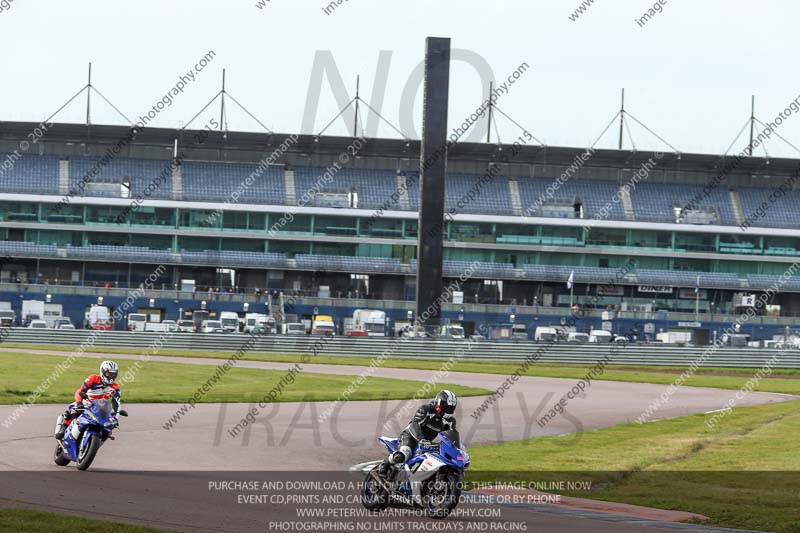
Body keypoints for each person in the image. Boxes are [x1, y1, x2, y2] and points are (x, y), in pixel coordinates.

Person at [378, 390, 458, 477]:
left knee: (436, 460)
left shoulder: (450, 421)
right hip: (410, 437)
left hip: (426, 443)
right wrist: (421, 439)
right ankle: (384, 464)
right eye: (447, 407)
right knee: (404, 454)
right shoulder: (426, 409)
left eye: (451, 408)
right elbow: (414, 425)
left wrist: (457, 448)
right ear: (439, 403)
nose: (449, 410)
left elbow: (451, 435)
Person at [55, 361, 121, 440]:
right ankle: (64, 426)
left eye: (113, 374)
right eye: (108, 373)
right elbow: (80, 391)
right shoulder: (93, 378)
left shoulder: (116, 387)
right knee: (72, 410)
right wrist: (79, 403)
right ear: (102, 371)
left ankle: (96, 441)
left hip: (101, 408)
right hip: (87, 402)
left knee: (109, 428)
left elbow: (117, 403)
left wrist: (115, 418)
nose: (110, 376)